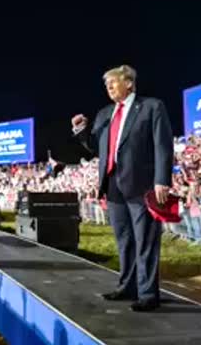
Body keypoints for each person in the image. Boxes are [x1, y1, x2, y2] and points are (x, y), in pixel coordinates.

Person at [71, 65, 173, 312]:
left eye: (113, 83)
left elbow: (163, 145)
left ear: (129, 83)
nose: (109, 88)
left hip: (142, 184)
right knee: (124, 240)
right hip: (113, 185)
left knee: (145, 241)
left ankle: (148, 294)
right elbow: (97, 147)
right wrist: (82, 130)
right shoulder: (105, 113)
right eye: (106, 86)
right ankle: (127, 287)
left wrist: (162, 180)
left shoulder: (151, 107)